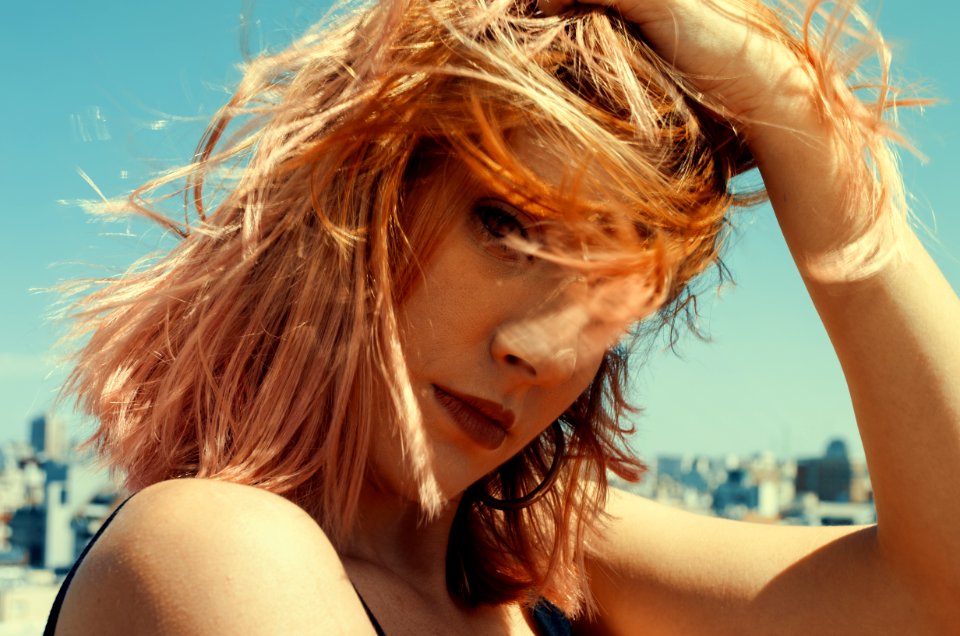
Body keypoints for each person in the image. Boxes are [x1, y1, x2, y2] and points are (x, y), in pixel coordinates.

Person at [46, 0, 959, 633]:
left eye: (610, 290)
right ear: (361, 203)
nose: (542, 348)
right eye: (509, 228)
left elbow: (937, 599)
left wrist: (794, 109)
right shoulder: (215, 549)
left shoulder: (551, 564)